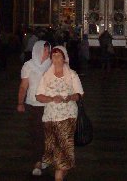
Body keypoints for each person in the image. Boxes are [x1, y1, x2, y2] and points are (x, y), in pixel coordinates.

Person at [35, 46, 84, 181]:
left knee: (64, 145)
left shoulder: (72, 75)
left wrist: (70, 97)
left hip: (68, 117)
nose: (56, 59)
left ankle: (59, 173)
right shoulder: (46, 75)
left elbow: (80, 94)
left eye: (59, 56)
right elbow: (38, 96)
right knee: (54, 147)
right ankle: (62, 169)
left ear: (64, 58)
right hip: (50, 117)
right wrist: (51, 98)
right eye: (54, 56)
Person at [17, 40, 51, 177]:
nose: (47, 52)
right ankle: (37, 161)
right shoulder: (29, 65)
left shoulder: (52, 64)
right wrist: (20, 102)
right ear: (38, 50)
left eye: (48, 50)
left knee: (48, 133)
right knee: (37, 133)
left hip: (50, 104)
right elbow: (23, 86)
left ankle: (45, 157)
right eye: (45, 50)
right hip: (34, 104)